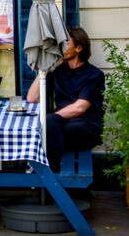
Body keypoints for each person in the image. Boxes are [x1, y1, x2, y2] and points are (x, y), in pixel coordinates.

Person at [26, 26, 105, 171]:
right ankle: (55, 179)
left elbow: (80, 107)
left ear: (79, 48)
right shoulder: (57, 70)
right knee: (47, 130)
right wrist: (45, 69)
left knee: (48, 129)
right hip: (60, 125)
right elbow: (32, 97)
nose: (61, 47)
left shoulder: (94, 75)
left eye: (66, 43)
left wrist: (52, 119)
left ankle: (51, 176)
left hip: (86, 126)